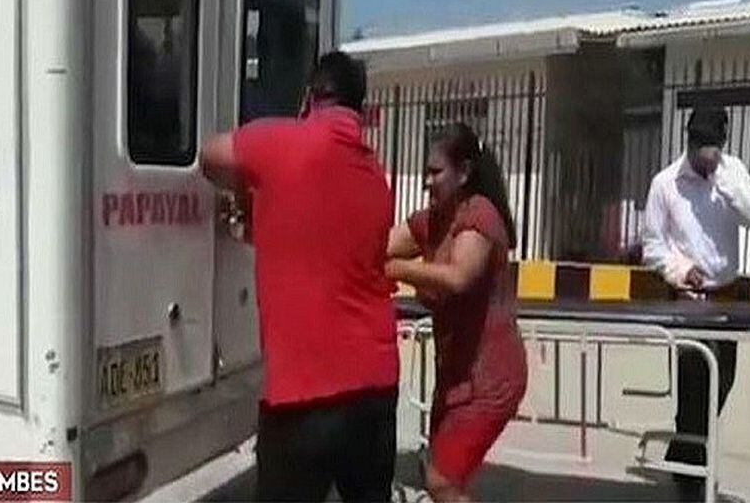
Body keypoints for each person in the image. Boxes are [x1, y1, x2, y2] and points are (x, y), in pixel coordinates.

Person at [200, 51, 398, 502]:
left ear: (310, 97)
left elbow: (209, 157)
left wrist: (247, 189)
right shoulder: (375, 177)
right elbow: (321, 247)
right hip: (375, 387)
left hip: (305, 395)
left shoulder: (281, 142)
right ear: (361, 108)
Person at [386, 123, 527, 502]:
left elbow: (458, 277)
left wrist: (395, 270)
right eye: (426, 172)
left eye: (436, 172)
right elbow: (378, 245)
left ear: (463, 173)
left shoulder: (480, 215)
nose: (426, 181)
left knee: (441, 480)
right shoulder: (433, 220)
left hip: (490, 379)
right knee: (445, 479)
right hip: (455, 379)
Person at [642, 105, 750, 495]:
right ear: (689, 141)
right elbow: (653, 246)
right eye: (699, 144)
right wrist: (679, 269)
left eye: (712, 145)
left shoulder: (732, 171)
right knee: (695, 388)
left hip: (727, 297)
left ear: (721, 143)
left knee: (722, 383)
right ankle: (694, 480)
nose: (705, 153)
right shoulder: (665, 184)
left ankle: (684, 454)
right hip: (689, 300)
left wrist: (723, 182)